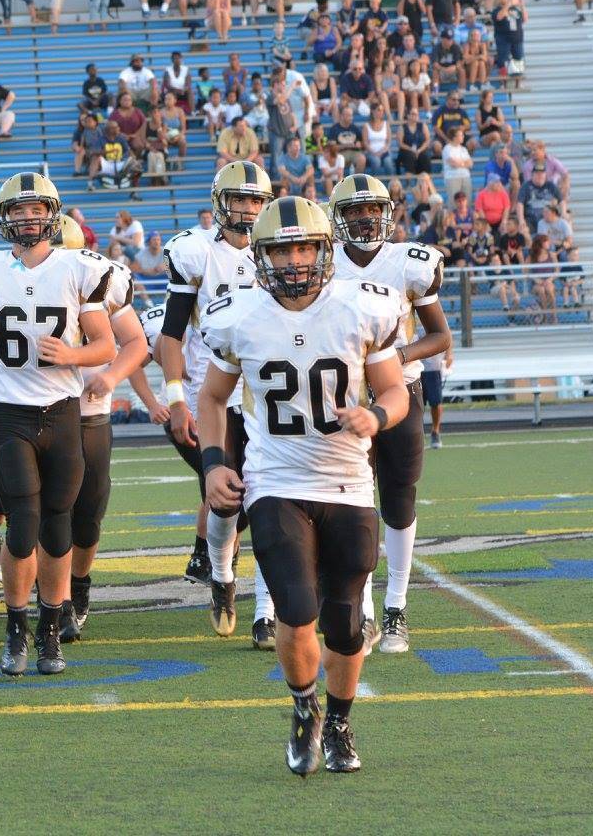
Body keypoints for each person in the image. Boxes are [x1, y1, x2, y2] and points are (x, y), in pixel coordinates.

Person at [198, 195, 409, 776]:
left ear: (325, 250)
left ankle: (338, 721)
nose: (294, 261)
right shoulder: (238, 315)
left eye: (304, 247)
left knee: (344, 620)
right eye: (282, 249)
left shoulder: (362, 308)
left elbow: (394, 391)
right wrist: (215, 463)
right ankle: (302, 707)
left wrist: (379, 416)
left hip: (346, 483)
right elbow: (213, 398)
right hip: (276, 480)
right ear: (261, 257)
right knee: (293, 608)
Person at [0, 173, 141, 677]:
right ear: (4, 217)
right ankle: (15, 628)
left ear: (52, 214)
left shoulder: (78, 267)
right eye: (17, 211)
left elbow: (106, 345)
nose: (26, 219)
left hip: (62, 412)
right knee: (23, 526)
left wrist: (72, 353)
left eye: (35, 210)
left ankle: (50, 629)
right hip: (9, 416)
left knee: (58, 531)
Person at [328, 175, 452, 655]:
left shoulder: (408, 262)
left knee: (398, 499)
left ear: (388, 213)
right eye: (355, 211)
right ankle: (360, 605)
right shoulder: (324, 263)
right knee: (350, 503)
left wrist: (394, 360)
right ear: (338, 218)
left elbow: (440, 337)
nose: (365, 219)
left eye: (373, 210)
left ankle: (396, 606)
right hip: (344, 397)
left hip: (401, 390)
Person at [159, 162, 277, 644]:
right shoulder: (196, 253)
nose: (247, 209)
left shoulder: (283, 249)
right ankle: (224, 576)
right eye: (239, 199)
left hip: (268, 391)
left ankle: (267, 611)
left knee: (272, 499)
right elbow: (170, 335)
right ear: (219, 202)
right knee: (227, 499)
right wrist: (174, 399)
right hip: (213, 394)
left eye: (255, 200)